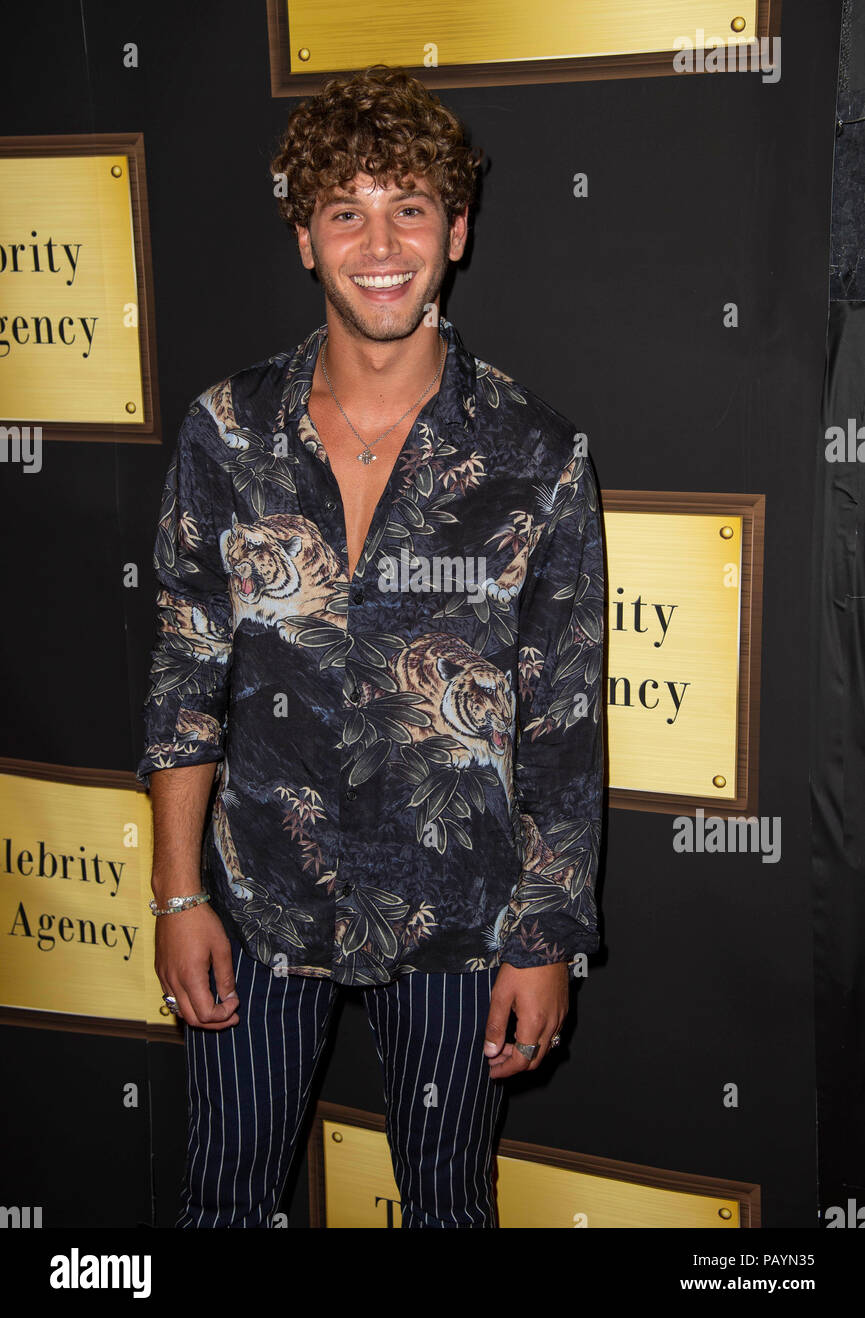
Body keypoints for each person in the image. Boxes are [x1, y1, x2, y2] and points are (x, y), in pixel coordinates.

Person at [136, 63, 605, 1229]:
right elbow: (187, 672)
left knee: (446, 1205)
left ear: (456, 229)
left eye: (410, 207)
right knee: (223, 1202)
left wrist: (545, 937)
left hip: (458, 916)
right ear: (304, 239)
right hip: (258, 900)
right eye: (345, 210)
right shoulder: (226, 431)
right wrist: (176, 892)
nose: (381, 243)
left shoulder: (535, 454)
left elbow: (561, 719)